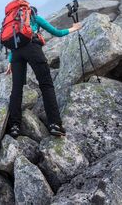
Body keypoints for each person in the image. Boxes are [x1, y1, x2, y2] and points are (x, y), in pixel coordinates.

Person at [5, 8, 82, 137]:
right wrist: (74, 28)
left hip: (16, 54)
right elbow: (56, 32)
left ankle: (14, 127)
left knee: (16, 90)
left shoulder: (15, 24)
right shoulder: (35, 18)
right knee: (46, 85)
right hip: (32, 49)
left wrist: (10, 62)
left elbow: (14, 44)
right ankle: (54, 124)